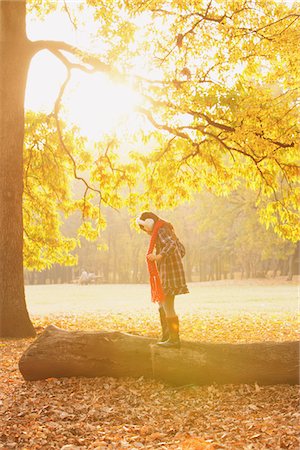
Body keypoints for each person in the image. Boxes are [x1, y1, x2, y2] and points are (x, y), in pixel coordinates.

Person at [136, 211, 189, 348]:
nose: (145, 231)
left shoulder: (161, 230)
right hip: (168, 272)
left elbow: (171, 245)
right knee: (162, 304)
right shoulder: (165, 229)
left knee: (168, 306)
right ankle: (167, 335)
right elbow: (181, 250)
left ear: (150, 223)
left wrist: (158, 257)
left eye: (144, 228)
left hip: (170, 273)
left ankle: (174, 339)